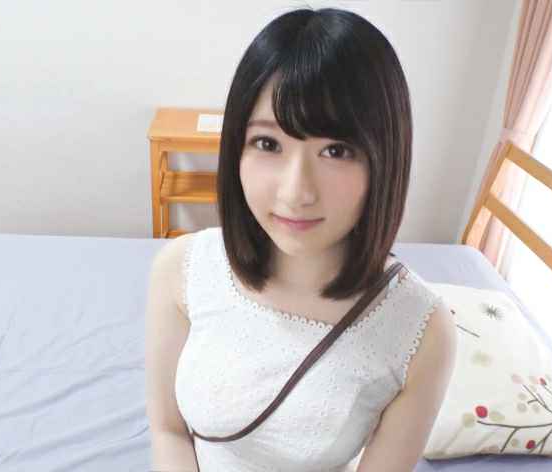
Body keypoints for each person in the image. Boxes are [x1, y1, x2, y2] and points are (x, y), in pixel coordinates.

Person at [145, 7, 457, 471]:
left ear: (384, 160)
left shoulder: (422, 331)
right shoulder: (183, 269)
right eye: (268, 144)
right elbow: (168, 430)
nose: (296, 192)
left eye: (336, 150)